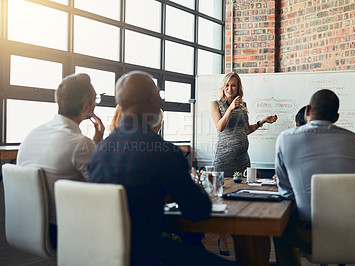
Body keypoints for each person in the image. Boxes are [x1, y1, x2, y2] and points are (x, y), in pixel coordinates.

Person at [88, 71, 234, 266]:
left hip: (100, 254)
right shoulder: (164, 152)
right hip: (147, 254)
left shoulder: (99, 151)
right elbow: (198, 211)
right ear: (153, 101)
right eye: (159, 97)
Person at [273, 89, 355, 266]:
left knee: (280, 230)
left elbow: (286, 194)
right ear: (336, 117)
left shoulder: (286, 139)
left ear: (307, 110)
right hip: (351, 234)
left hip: (309, 235)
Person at [17, 73, 105, 249]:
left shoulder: (33, 134)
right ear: (86, 107)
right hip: (64, 233)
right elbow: (104, 189)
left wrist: (94, 144)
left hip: (28, 226)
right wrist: (98, 146)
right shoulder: (80, 143)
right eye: (96, 100)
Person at [209, 72, 278, 255]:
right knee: (223, 198)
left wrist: (262, 122)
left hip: (242, 158)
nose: (230, 89)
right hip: (224, 158)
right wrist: (230, 108)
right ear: (223, 87)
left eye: (234, 86)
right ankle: (222, 239)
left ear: (239, 87)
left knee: (242, 196)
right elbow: (220, 127)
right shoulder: (216, 105)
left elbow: (245, 130)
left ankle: (241, 236)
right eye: (228, 86)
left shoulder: (243, 106)